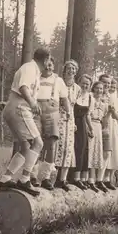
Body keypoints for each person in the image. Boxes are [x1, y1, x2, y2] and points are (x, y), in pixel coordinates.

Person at [0, 48, 51, 197]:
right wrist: (32, 103)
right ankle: (25, 179)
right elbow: (23, 87)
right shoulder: (29, 68)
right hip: (20, 108)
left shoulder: (34, 71)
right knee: (38, 143)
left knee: (26, 147)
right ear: (46, 60)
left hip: (16, 108)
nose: (49, 64)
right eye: (49, 61)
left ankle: (6, 178)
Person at [32, 57, 70, 191]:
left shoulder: (58, 80)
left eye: (50, 65)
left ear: (53, 66)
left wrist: (68, 112)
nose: (48, 67)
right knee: (35, 142)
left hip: (52, 112)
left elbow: (65, 99)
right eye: (46, 65)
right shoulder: (35, 78)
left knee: (51, 144)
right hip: (36, 112)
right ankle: (33, 175)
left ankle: (46, 177)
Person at [54, 60, 81, 190]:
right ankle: (50, 178)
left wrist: (74, 122)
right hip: (57, 116)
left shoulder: (77, 88)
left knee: (68, 148)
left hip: (70, 119)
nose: (71, 71)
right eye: (69, 68)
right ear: (65, 70)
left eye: (74, 69)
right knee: (56, 146)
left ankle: (62, 179)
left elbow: (73, 107)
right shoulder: (59, 82)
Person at [87, 81, 112, 193]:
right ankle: (87, 179)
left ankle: (93, 180)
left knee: (96, 153)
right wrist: (89, 128)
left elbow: (105, 120)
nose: (99, 91)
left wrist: (110, 113)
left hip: (98, 126)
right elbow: (86, 114)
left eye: (101, 89)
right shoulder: (89, 99)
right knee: (89, 151)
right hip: (90, 124)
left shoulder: (104, 104)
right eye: (97, 88)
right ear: (93, 89)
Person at [95, 74, 118, 192]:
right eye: (105, 83)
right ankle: (92, 179)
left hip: (107, 127)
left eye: (109, 83)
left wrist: (112, 111)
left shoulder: (110, 97)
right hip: (96, 125)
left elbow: (115, 116)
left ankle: (100, 179)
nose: (107, 85)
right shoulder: (95, 95)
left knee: (107, 153)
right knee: (95, 152)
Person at [72, 74, 94, 191]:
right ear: (79, 83)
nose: (85, 86)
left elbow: (87, 115)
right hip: (73, 123)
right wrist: (72, 123)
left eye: (87, 84)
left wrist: (90, 128)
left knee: (84, 149)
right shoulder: (75, 93)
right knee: (76, 149)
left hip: (82, 124)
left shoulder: (90, 98)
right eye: (83, 83)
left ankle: (82, 178)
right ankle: (74, 178)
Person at [104, 78, 118, 189]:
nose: (112, 88)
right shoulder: (104, 96)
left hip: (113, 125)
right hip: (104, 124)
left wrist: (112, 110)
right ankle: (100, 178)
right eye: (111, 86)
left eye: (114, 87)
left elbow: (117, 116)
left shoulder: (117, 100)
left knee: (114, 152)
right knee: (105, 151)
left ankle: (109, 178)